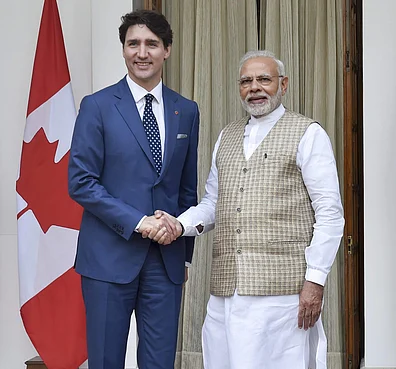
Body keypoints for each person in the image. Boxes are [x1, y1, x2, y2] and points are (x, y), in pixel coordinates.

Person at [150, 50, 344, 369]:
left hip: (282, 293)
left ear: (283, 85)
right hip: (226, 291)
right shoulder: (226, 137)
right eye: (246, 81)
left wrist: (315, 280)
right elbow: (213, 204)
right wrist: (178, 225)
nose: (254, 87)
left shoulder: (308, 133)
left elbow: (330, 214)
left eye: (263, 79)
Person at [68, 10, 199, 369]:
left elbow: (187, 190)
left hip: (166, 262)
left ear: (167, 50)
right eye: (133, 44)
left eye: (152, 44)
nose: (142, 53)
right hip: (108, 258)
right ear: (124, 50)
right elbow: (81, 182)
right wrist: (139, 221)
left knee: (159, 364)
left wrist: (184, 254)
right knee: (107, 361)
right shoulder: (96, 107)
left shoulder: (186, 111)